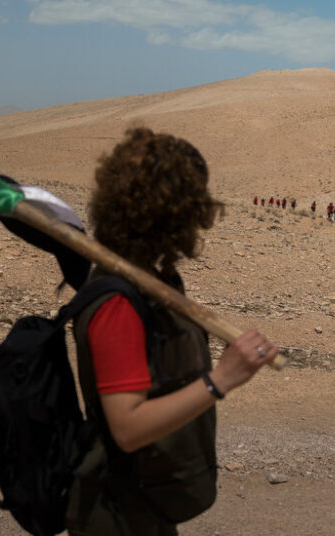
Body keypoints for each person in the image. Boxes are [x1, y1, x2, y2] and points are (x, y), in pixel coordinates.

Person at [66, 127, 279, 535]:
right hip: (117, 514)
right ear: (175, 212)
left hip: (146, 502)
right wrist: (222, 378)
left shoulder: (150, 282)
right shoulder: (117, 303)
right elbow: (127, 429)